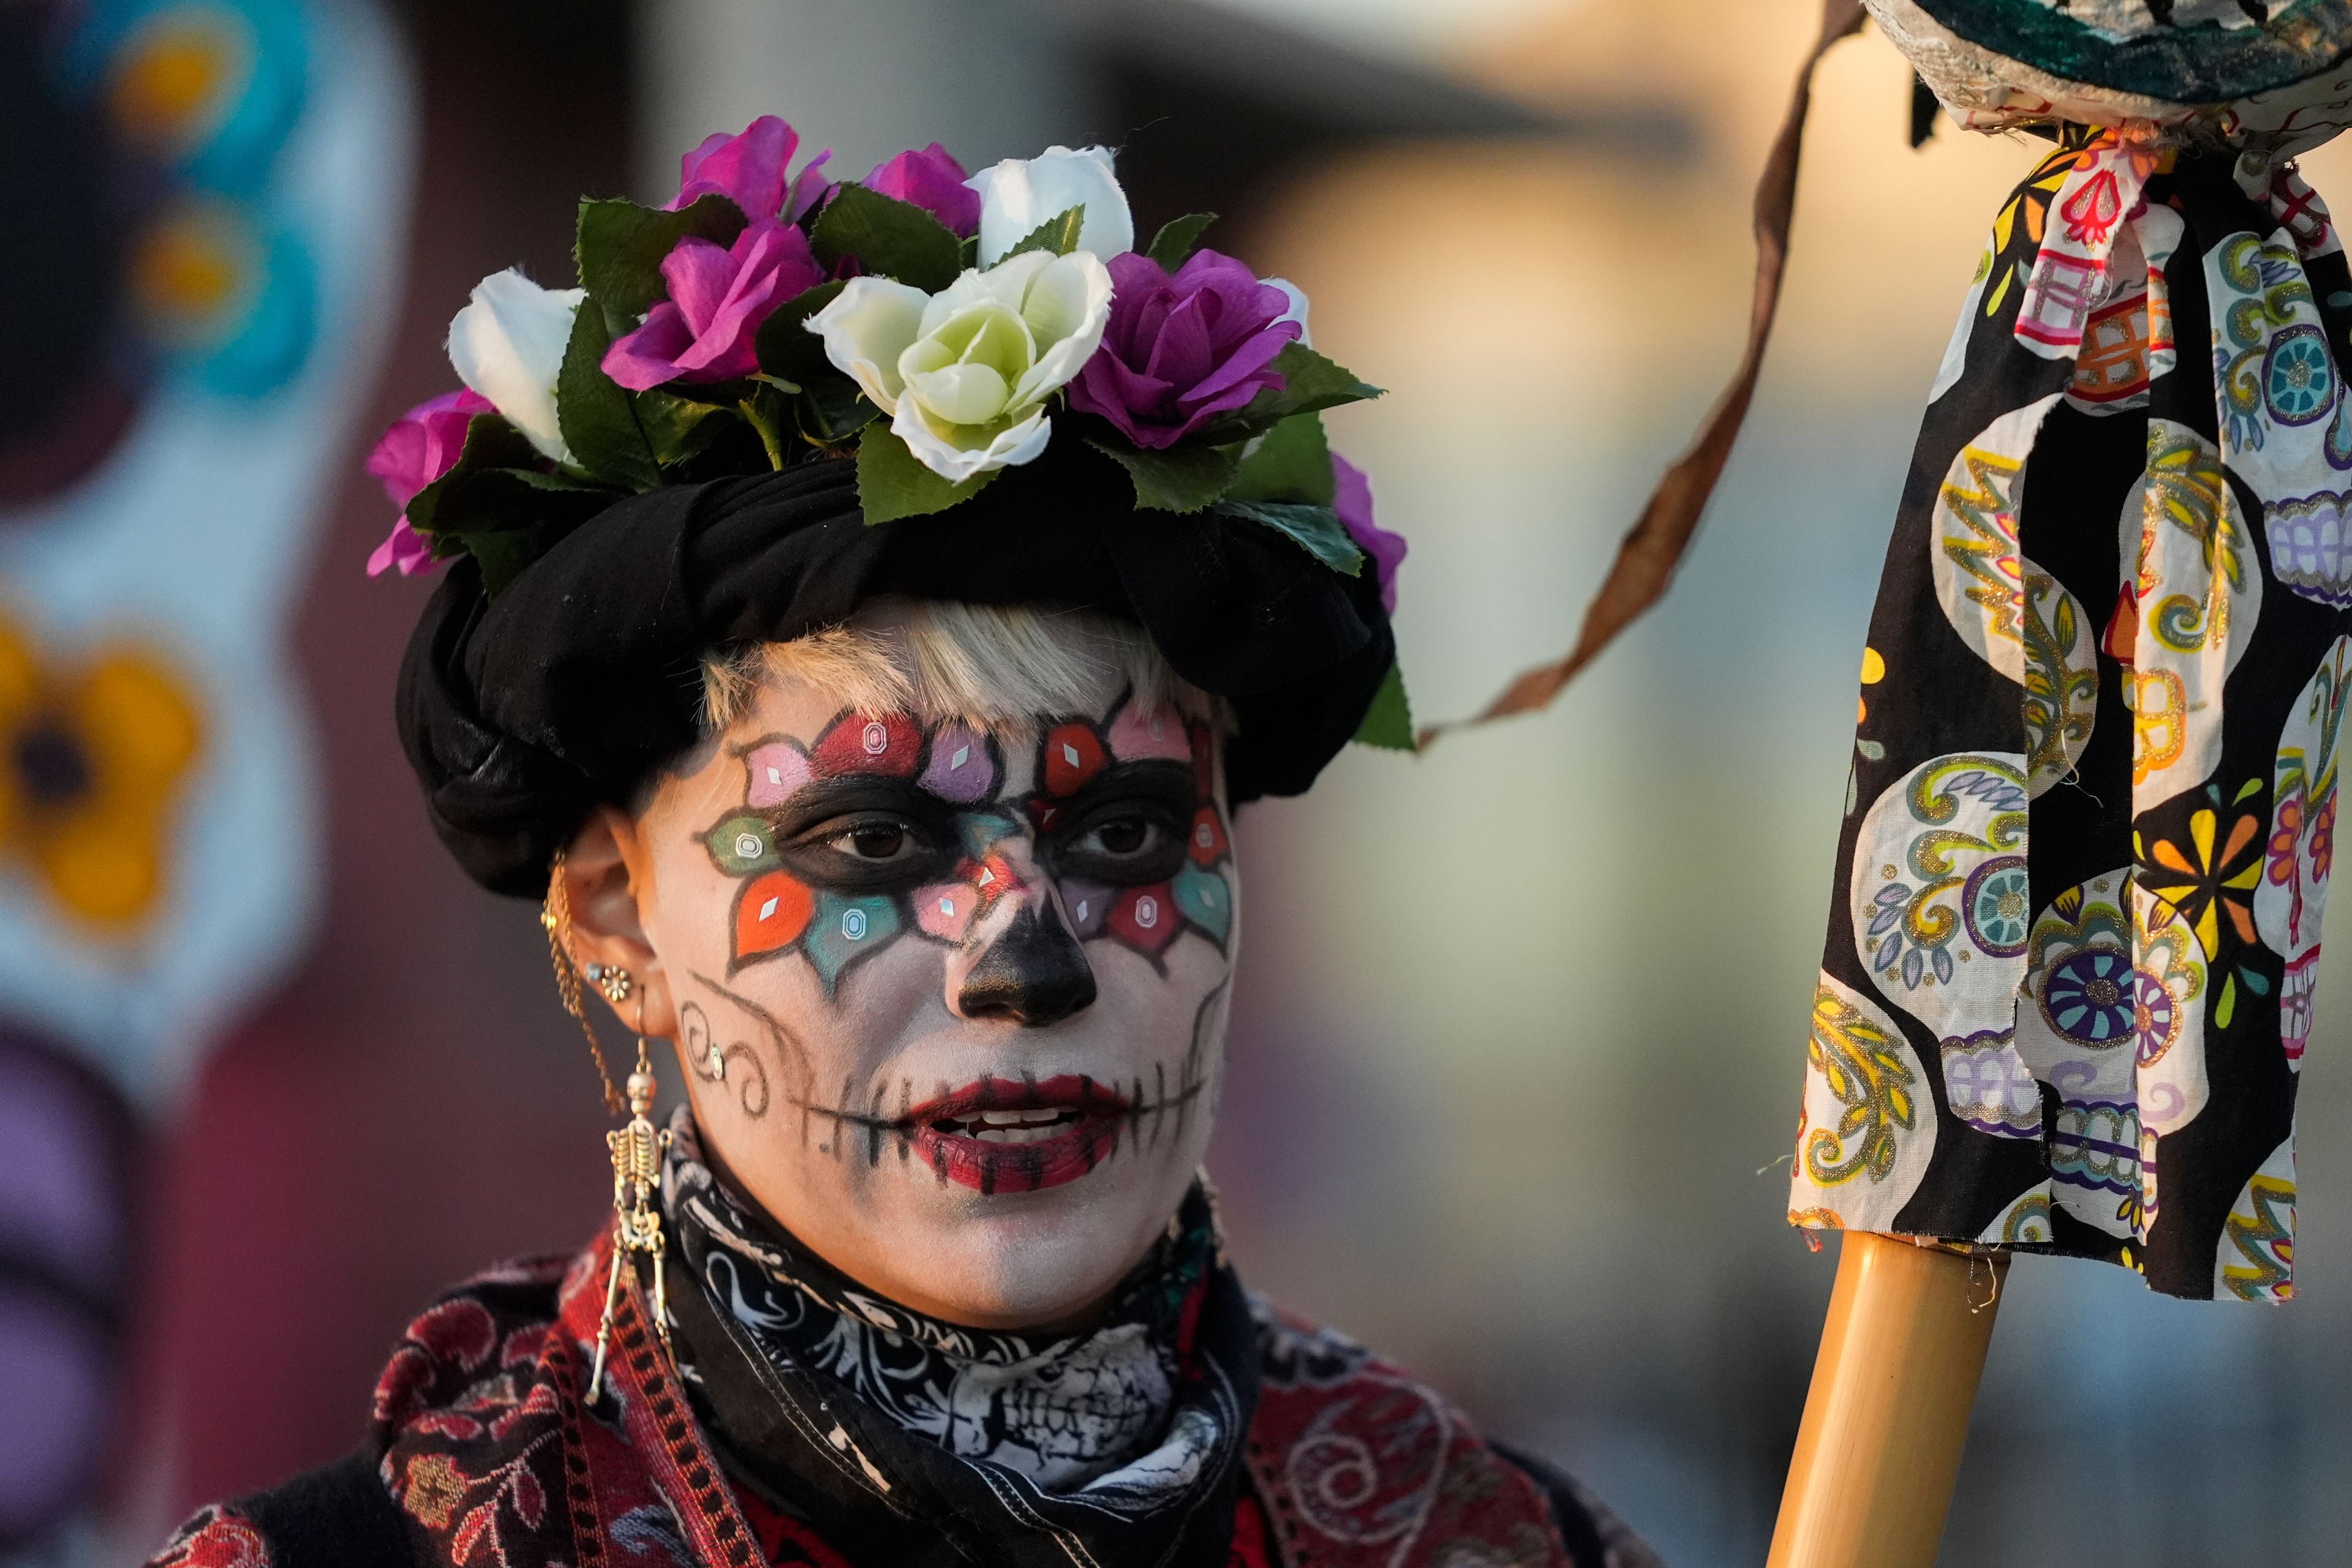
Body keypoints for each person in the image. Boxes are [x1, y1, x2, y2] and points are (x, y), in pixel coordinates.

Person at [146, 121, 1661, 1568]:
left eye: (1125, 831)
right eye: (870, 837)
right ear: (616, 917)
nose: (1029, 963)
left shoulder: (1494, 1542)